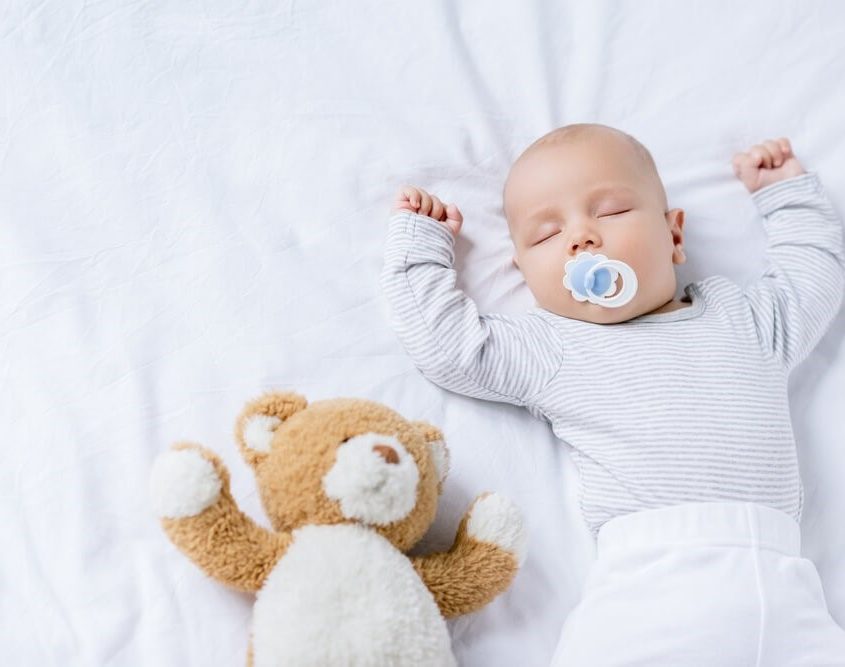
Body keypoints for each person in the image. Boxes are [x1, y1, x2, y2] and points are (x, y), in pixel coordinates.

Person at [380, 123, 845, 665]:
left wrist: (785, 194)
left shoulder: (744, 320)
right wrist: (422, 247)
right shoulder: (553, 347)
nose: (581, 237)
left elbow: (812, 278)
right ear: (526, 275)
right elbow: (450, 348)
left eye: (611, 211)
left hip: (786, 589)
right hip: (649, 586)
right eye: (546, 235)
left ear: (674, 236)